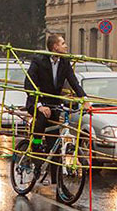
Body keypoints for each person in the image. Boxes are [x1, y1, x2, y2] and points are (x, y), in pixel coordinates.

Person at [23, 34, 88, 175]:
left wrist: (84, 99)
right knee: (41, 120)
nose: (66, 46)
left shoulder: (64, 61)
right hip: (38, 101)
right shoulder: (39, 60)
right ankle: (35, 147)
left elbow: (73, 81)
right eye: (63, 43)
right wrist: (39, 104)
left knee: (55, 145)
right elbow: (29, 83)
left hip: (54, 104)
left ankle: (58, 186)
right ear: (55, 47)